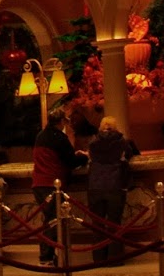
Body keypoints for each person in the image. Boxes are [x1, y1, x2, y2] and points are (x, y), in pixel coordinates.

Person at [32, 106, 88, 267]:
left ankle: (48, 255)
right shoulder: (59, 138)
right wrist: (84, 157)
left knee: (48, 220)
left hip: (38, 183)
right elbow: (70, 161)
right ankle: (46, 257)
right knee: (53, 221)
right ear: (62, 121)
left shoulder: (41, 136)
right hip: (52, 184)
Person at [86, 115, 138, 265]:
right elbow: (131, 154)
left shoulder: (93, 143)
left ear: (101, 127)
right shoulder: (121, 142)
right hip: (115, 185)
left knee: (97, 224)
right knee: (114, 223)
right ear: (115, 127)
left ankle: (98, 258)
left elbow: (90, 158)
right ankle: (114, 258)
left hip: (95, 186)